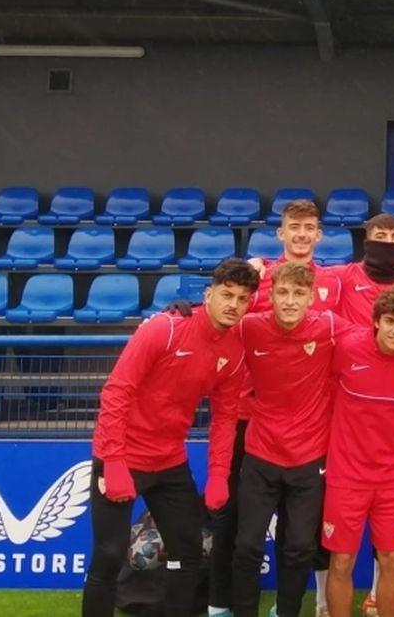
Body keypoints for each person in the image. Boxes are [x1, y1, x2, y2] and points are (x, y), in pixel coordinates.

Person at [83, 259, 256, 617]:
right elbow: (117, 391)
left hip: (169, 459)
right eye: (226, 295)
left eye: (242, 299)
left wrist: (220, 475)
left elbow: (225, 419)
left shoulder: (234, 352)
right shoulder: (165, 329)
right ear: (208, 294)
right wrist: (113, 462)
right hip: (122, 455)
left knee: (187, 551)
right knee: (110, 554)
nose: (233, 305)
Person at [227, 262, 344, 617]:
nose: (290, 301)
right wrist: (173, 313)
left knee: (297, 548)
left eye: (298, 294)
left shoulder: (329, 326)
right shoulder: (250, 327)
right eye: (282, 293)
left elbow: (378, 333)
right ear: (271, 295)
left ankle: (287, 612)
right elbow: (208, 323)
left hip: (309, 461)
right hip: (260, 456)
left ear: (311, 298)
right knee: (247, 545)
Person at [322, 287, 394, 617]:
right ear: (376, 322)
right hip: (347, 477)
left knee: (391, 559)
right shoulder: (347, 347)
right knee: (342, 561)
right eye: (390, 321)